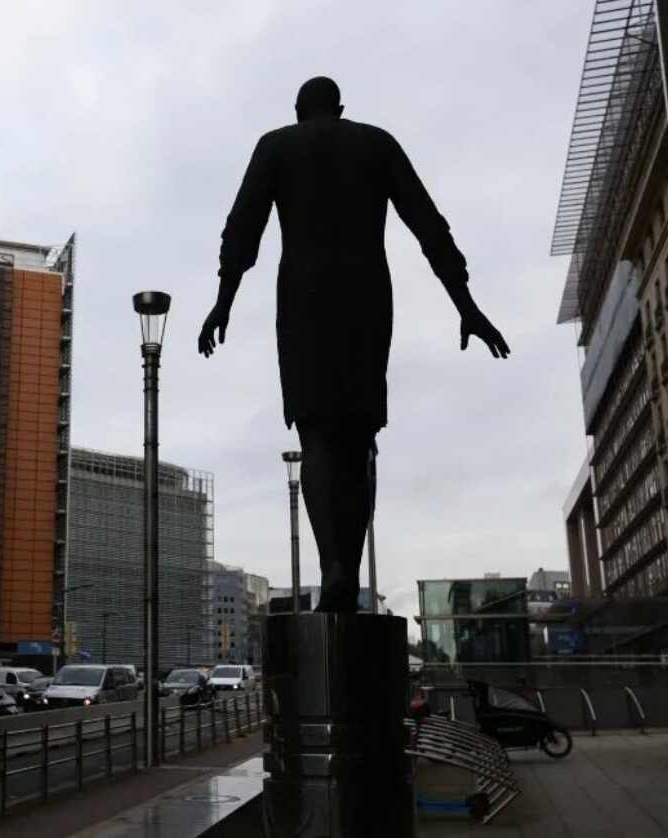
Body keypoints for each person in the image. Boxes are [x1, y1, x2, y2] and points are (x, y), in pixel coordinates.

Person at [199, 76, 510, 611]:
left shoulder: (276, 146)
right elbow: (429, 226)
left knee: (316, 435)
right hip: (366, 295)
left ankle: (334, 569)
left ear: (298, 111)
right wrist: (466, 304)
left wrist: (223, 301)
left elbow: (241, 230)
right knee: (359, 437)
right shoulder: (376, 143)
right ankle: (348, 562)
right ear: (340, 109)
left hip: (304, 298)